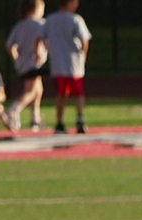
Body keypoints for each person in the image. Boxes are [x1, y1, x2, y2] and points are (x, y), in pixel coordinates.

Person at [46, 0, 91, 134]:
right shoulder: (75, 19)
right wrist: (83, 55)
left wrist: (50, 51)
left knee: (62, 93)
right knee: (78, 93)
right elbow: (84, 40)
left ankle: (60, 122)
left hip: (58, 62)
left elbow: (42, 37)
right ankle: (80, 117)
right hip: (74, 61)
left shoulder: (51, 19)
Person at [6, 0, 50, 131]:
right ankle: (13, 111)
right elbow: (44, 40)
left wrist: (16, 59)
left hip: (23, 63)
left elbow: (9, 45)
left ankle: (35, 118)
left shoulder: (19, 26)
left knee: (38, 89)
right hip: (34, 62)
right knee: (31, 91)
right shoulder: (41, 24)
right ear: (35, 9)